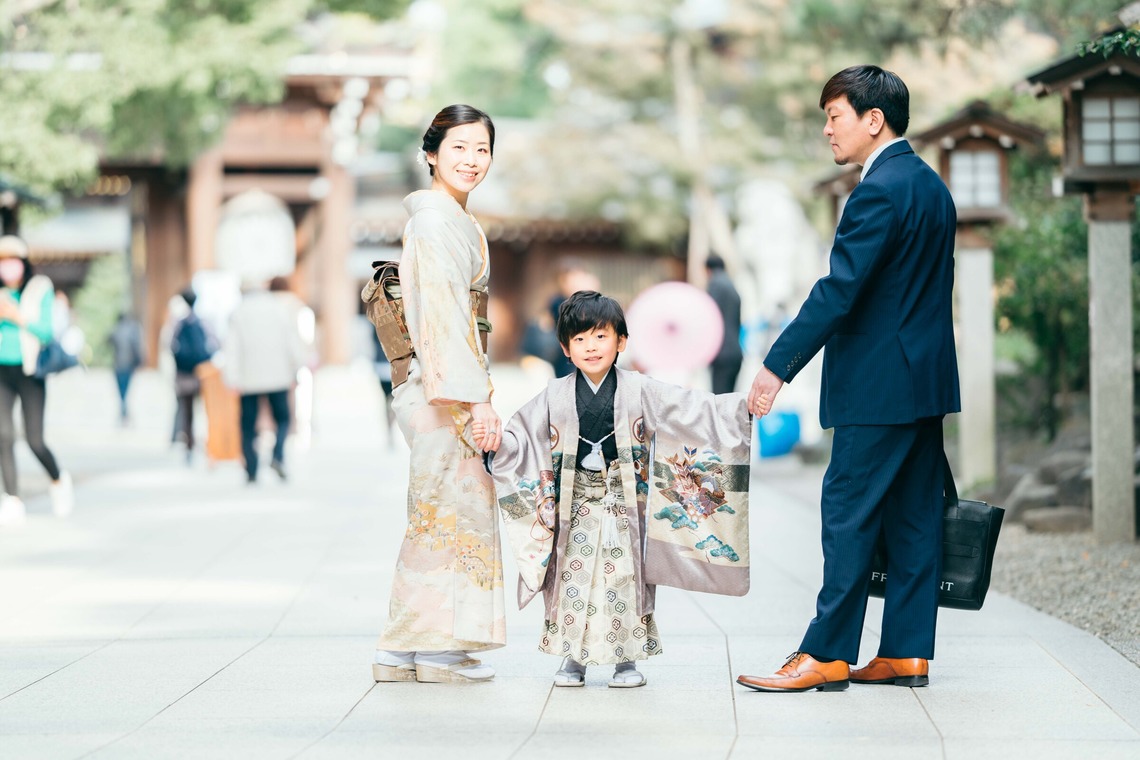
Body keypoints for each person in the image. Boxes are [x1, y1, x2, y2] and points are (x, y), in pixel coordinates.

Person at [736, 65, 960, 693]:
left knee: (849, 515)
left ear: (873, 119)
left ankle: (828, 654)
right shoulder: (930, 186)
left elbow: (840, 291)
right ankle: (906, 651)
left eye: (834, 116)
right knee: (914, 518)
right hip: (923, 385)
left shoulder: (877, 191)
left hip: (876, 386)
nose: (827, 129)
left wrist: (777, 366)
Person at [480, 290, 753, 688]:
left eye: (601, 336)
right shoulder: (554, 395)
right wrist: (498, 444)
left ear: (621, 341)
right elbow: (520, 439)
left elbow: (693, 408)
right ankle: (573, 659)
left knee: (624, 581)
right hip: (574, 510)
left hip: (626, 507)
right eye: (580, 339)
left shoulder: (641, 389)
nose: (591, 346)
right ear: (565, 348)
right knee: (572, 582)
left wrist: (740, 407)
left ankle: (626, 660)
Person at [371, 104, 506, 684]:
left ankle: (405, 647)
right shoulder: (434, 222)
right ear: (430, 153)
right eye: (459, 148)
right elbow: (447, 319)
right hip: (441, 388)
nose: (472, 160)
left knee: (434, 511)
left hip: (433, 383)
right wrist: (477, 400)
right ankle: (433, 647)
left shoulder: (447, 218)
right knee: (445, 513)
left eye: (482, 149)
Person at [0, 235, 73, 525]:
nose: (7, 267)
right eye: (2, 262)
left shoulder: (39, 288)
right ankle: (12, 497)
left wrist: (15, 315)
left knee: (34, 440)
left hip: (30, 371)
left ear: (23, 263)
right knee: (3, 436)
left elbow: (46, 331)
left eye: (12, 261)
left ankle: (58, 478)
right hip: (1, 371)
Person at [223, 281, 304, 483]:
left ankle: (251, 468)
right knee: (283, 419)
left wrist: (231, 377)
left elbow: (232, 348)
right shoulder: (278, 309)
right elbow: (292, 341)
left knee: (248, 425)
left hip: (248, 379)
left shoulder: (239, 312)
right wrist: (296, 368)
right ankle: (277, 455)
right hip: (278, 376)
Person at [169, 288, 215, 464]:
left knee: (187, 413)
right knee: (205, 411)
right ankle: (206, 444)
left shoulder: (178, 323)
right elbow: (214, 344)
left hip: (184, 376)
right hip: (202, 374)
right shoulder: (203, 322)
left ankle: (189, 445)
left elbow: (171, 346)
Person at [705, 253, 743, 394]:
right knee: (728, 403)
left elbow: (709, 316)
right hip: (735, 352)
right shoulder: (732, 286)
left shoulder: (715, 284)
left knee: (718, 404)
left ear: (708, 270)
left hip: (721, 354)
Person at [108, 311, 144, 425]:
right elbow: (136, 347)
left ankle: (123, 412)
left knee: (121, 391)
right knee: (125, 390)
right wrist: (139, 361)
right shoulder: (131, 331)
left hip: (118, 365)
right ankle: (124, 413)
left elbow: (108, 341)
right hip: (128, 365)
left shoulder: (116, 330)